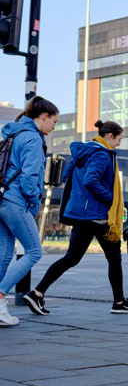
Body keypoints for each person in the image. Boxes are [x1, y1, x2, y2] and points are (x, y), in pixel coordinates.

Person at [23, 120, 128, 315]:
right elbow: (90, 180)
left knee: (71, 258)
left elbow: (67, 175)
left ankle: (37, 293)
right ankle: (119, 303)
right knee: (114, 259)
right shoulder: (102, 154)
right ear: (110, 136)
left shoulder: (83, 152)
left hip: (81, 215)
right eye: (119, 139)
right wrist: (109, 197)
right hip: (97, 216)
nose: (119, 144)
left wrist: (81, 198)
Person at [0, 97, 59, 326]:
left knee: (5, 255)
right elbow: (30, 178)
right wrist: (33, 204)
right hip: (17, 201)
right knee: (34, 251)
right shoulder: (33, 139)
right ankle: (1, 296)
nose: (54, 126)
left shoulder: (13, 135)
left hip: (3, 199)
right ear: (43, 117)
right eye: (54, 121)